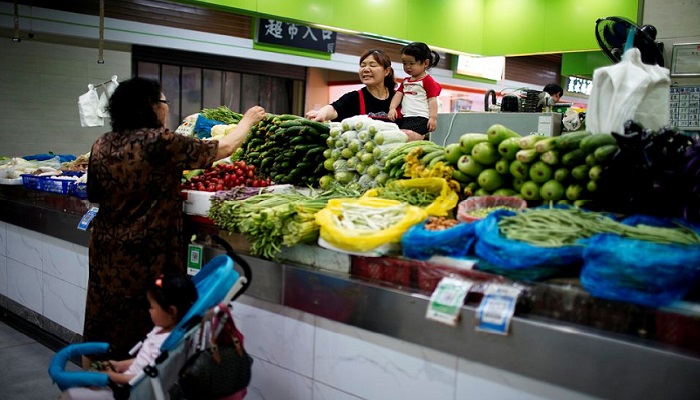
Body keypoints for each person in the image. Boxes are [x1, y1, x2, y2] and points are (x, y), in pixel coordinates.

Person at [84, 76, 265, 362]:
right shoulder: (159, 141)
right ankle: (135, 383)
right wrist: (247, 121)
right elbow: (223, 149)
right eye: (164, 102)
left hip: (106, 249)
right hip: (146, 253)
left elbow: (94, 192)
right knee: (147, 321)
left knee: (103, 317)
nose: (167, 109)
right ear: (152, 107)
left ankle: (97, 378)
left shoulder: (102, 144)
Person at [60, 274, 199, 400]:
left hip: (132, 392)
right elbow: (143, 362)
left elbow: (143, 377)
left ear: (172, 311)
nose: (149, 311)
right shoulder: (161, 330)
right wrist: (118, 365)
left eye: (152, 307)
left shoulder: (164, 344)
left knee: (69, 396)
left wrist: (109, 377)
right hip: (130, 385)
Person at [305, 49, 419, 136]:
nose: (366, 69)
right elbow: (334, 108)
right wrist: (321, 114)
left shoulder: (400, 98)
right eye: (363, 65)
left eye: (372, 65)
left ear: (387, 71)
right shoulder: (354, 98)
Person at [388, 42, 442, 140]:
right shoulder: (405, 81)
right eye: (404, 63)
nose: (407, 67)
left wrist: (433, 118)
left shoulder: (427, 81)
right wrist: (392, 108)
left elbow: (432, 100)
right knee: (401, 138)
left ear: (425, 63)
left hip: (421, 118)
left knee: (409, 138)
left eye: (412, 63)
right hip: (406, 117)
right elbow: (398, 95)